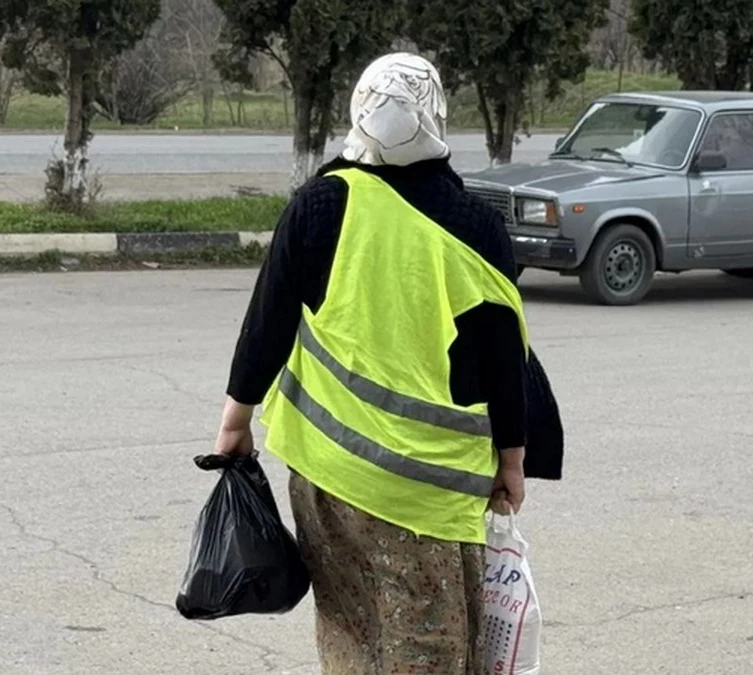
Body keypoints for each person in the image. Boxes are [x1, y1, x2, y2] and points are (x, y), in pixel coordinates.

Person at [213, 52, 562, 674]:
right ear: (438, 119)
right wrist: (513, 459)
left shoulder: (321, 204)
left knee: (349, 630)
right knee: (426, 651)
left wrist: (235, 423)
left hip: (325, 480)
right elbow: (504, 362)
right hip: (427, 493)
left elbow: (266, 324)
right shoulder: (475, 227)